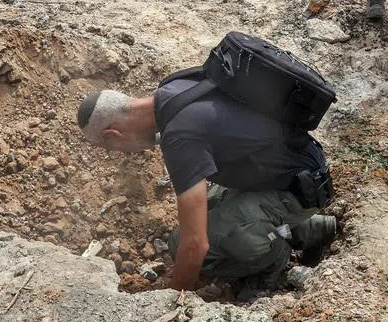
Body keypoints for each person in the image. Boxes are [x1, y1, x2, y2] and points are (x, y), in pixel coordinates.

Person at [76, 82, 337, 296]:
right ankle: (305, 227)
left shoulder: (179, 137)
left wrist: (174, 300)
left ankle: (274, 255)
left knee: (185, 244)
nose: (117, 152)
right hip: (291, 168)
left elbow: (196, 244)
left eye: (109, 148)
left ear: (113, 134)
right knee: (209, 208)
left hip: (299, 188)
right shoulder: (172, 90)